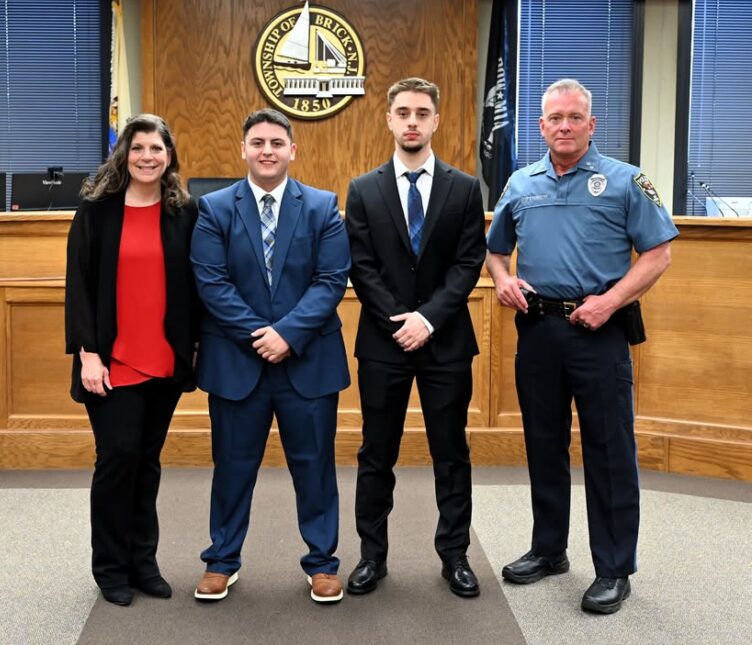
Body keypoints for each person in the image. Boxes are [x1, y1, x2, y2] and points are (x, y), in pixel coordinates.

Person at [486, 78, 678, 614]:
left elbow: (658, 254)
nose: (564, 126)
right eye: (554, 118)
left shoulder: (625, 181)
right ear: (541, 125)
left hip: (600, 332)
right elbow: (496, 251)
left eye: (574, 117)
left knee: (609, 452)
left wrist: (610, 302)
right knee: (543, 444)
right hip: (539, 332)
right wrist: (502, 279)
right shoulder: (521, 183)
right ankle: (549, 550)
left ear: (592, 125)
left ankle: (614, 569)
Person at [190, 108, 350, 604]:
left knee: (315, 467)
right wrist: (262, 335)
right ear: (243, 149)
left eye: (276, 143)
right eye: (257, 142)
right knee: (233, 466)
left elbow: (331, 280)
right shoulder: (213, 208)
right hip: (238, 363)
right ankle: (222, 560)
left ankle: (322, 564)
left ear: (292, 150)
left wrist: (287, 335)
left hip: (307, 362)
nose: (267, 150)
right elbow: (210, 282)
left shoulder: (323, 206)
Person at [345, 77, 486, 598]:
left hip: (446, 342)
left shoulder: (466, 188)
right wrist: (400, 320)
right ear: (388, 119)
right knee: (375, 454)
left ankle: (455, 556)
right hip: (383, 345)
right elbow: (362, 267)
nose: (411, 121)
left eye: (421, 113)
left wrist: (427, 319)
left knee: (451, 453)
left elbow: (469, 261)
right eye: (402, 112)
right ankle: (371, 557)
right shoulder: (362, 190)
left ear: (436, 121)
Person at [65, 113, 200, 606]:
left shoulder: (184, 212)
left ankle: (144, 563)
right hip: (111, 360)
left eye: (157, 149)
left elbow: (195, 285)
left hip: (164, 359)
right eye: (139, 148)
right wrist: (87, 355)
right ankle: (110, 568)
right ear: (124, 153)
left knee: (147, 463)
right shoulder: (96, 211)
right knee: (117, 460)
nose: (148, 157)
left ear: (170, 158)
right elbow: (78, 287)